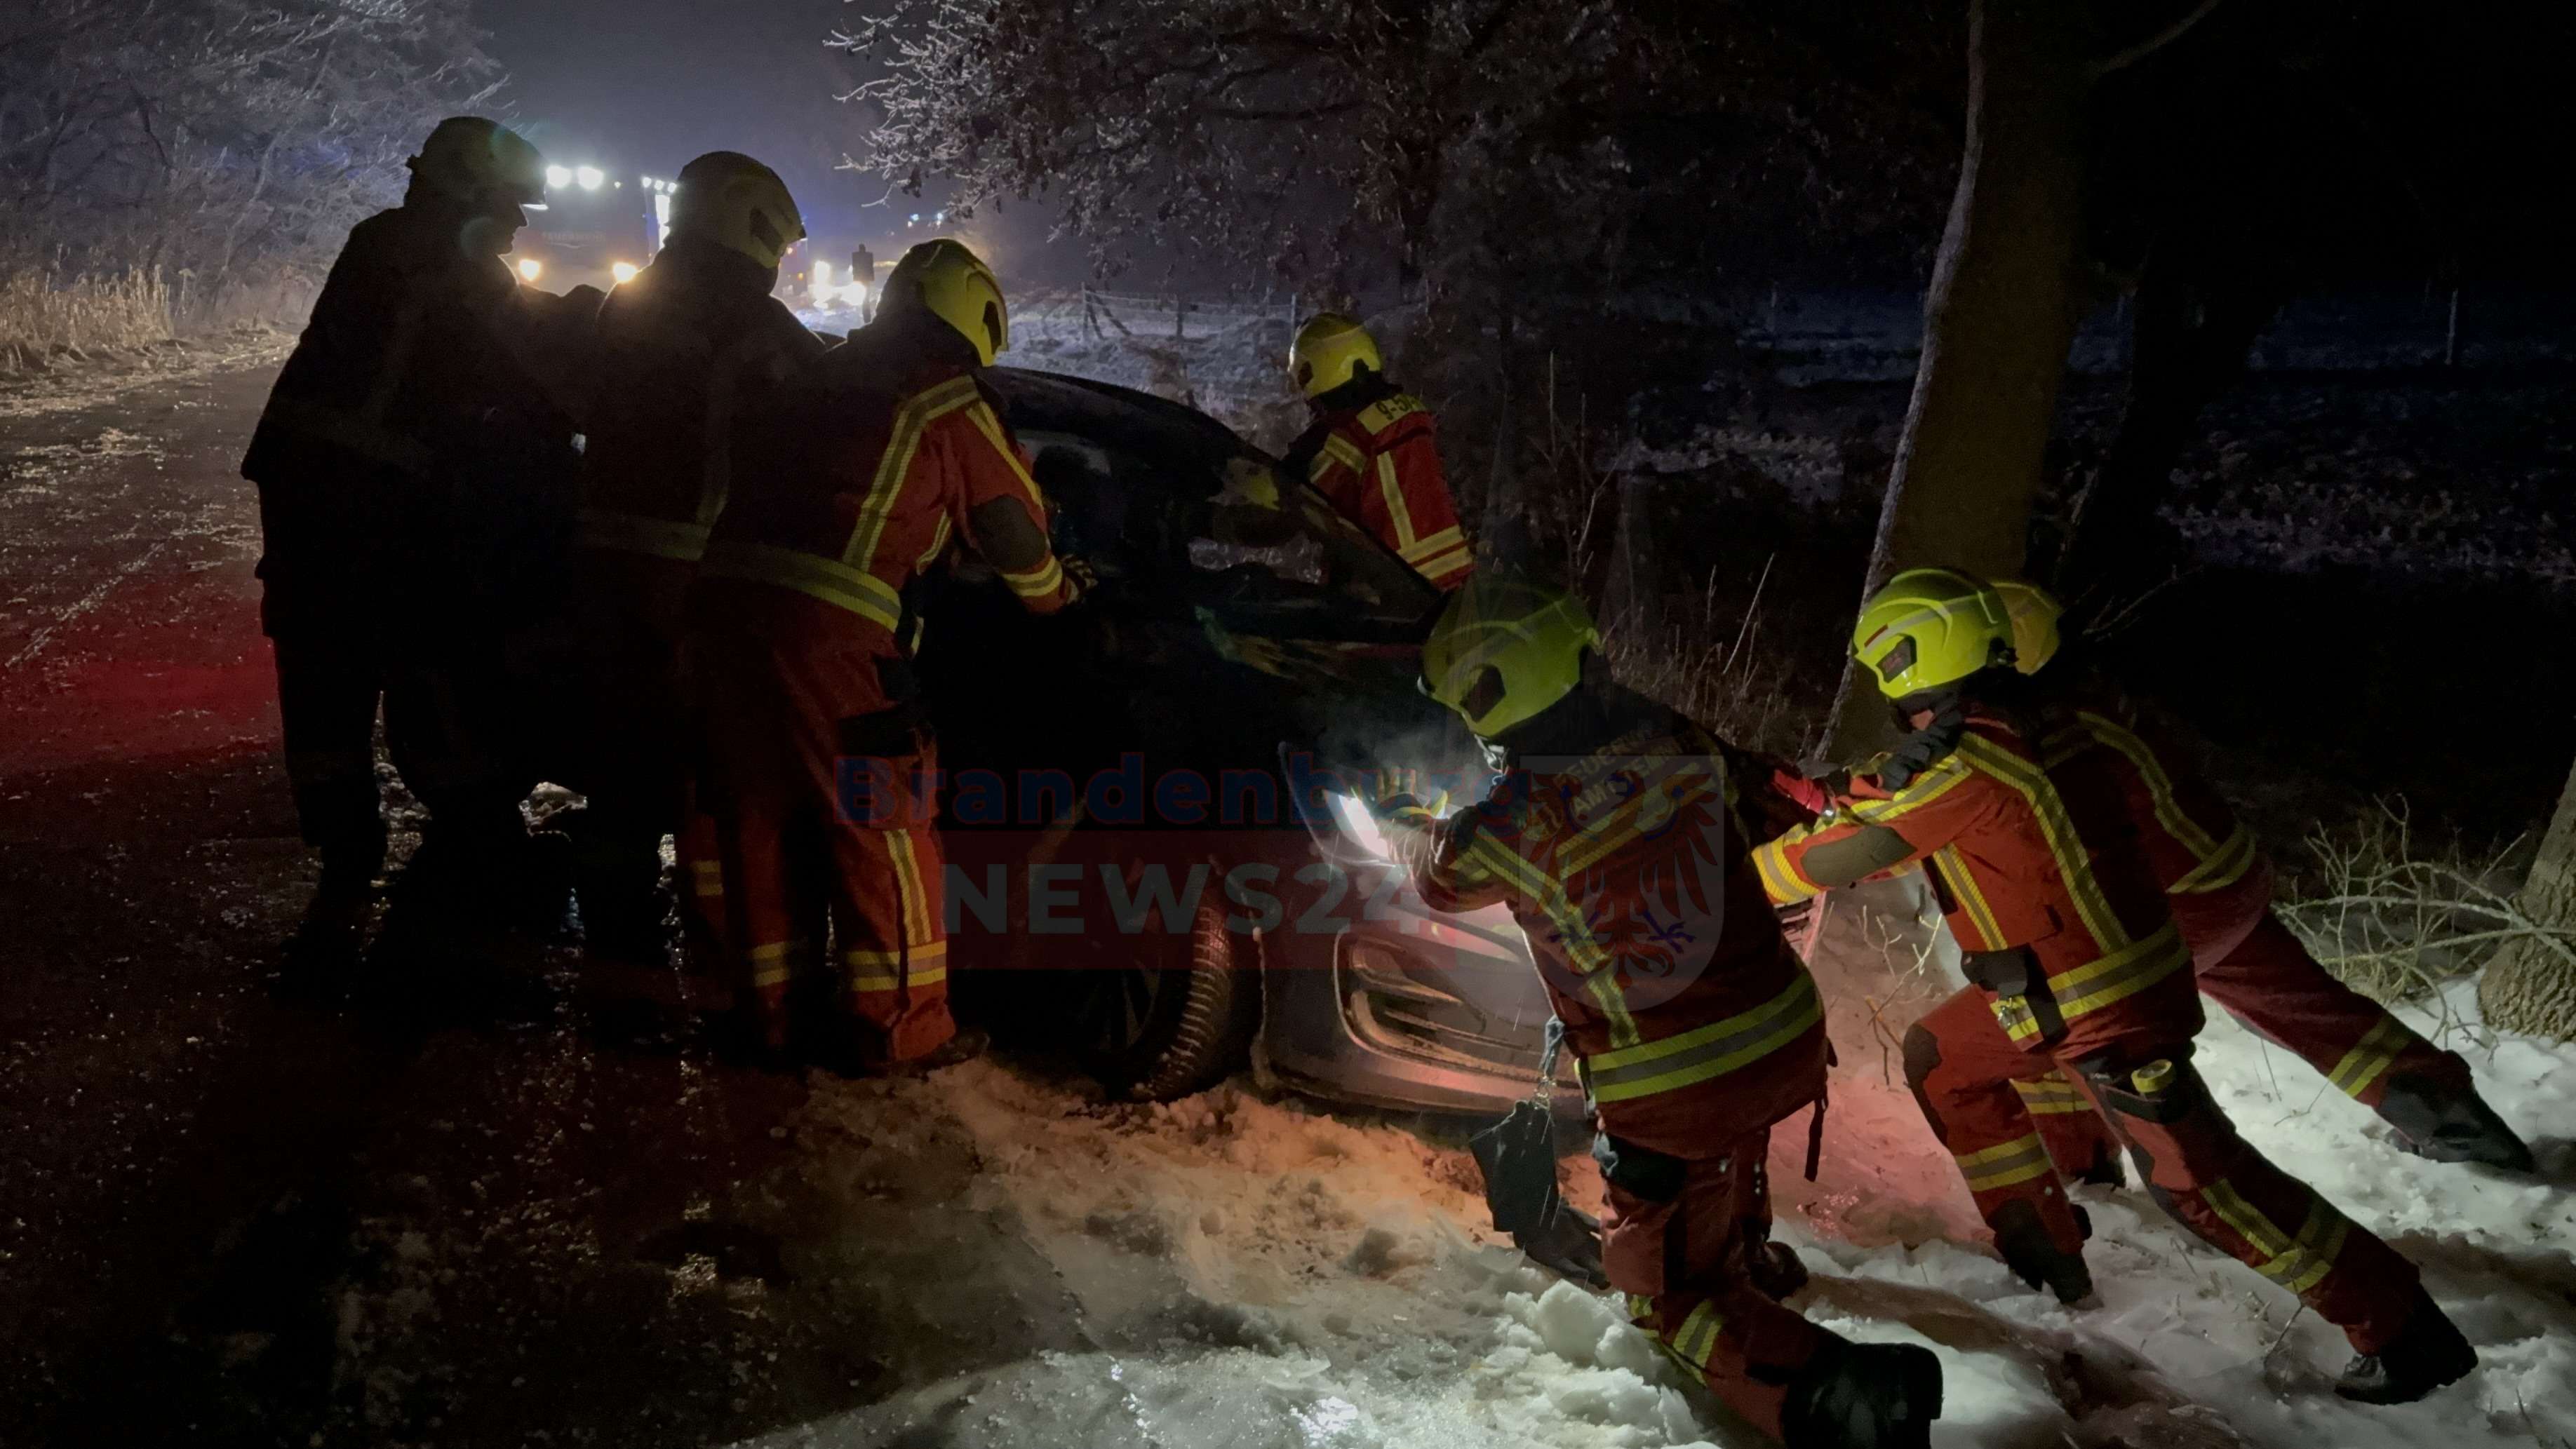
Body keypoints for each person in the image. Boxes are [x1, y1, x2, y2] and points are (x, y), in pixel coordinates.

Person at [1750, 567, 2476, 1404]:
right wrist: (1828, 790)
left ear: (1901, 663)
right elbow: (1904, 791)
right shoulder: (2027, 722)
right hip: (2071, 984)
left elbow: (1857, 847)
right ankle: (2043, 1248)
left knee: (2204, 1187)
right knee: (1943, 1058)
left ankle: (2401, 1325)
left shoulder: (1968, 762)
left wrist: (1736, 869)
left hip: (2101, 1000)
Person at [1372, 575, 1943, 1449]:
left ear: (1486, 694)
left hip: (1676, 1087)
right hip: (1785, 1036)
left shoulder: (1511, 822)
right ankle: (1746, 1257)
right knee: (1729, 1143)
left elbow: (1437, 873)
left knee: (1665, 1301)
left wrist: (1398, 807)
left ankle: (1850, 1397)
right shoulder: (1676, 738)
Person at [687, 237, 1084, 1072]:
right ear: (977, 318)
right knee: (885, 820)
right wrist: (1061, 597)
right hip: (830, 630)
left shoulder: (821, 374)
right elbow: (1011, 531)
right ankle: (902, 1027)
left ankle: (772, 1015)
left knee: (757, 811)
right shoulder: (948, 395)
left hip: (721, 608)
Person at [1983, 579, 2534, 1174]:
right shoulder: (2092, 699)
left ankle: (2084, 1166)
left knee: (2051, 1018)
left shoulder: (2036, 733)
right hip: (2225, 877)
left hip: (2172, 905)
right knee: (2307, 1007)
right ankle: (2455, 1122)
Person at [241, 116, 590, 966]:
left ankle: (347, 863)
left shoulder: (389, 242)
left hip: (313, 497)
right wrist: (601, 329)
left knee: (324, 680)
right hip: (370, 509)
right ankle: (467, 841)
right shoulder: (433, 255)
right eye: (509, 203)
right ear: (469, 190)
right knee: (428, 663)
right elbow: (527, 353)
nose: (518, 221)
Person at [556, 151, 825, 959]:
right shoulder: (747, 319)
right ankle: (717, 941)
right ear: (749, 224)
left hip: (598, 556)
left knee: (619, 748)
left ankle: (614, 927)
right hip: (691, 567)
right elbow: (824, 405)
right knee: (709, 752)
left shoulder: (631, 302)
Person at [1214, 314, 1473, 591]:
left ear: (1317, 370)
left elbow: (1282, 514)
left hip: (1391, 595)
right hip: (1453, 583)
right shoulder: (1412, 413)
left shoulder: (1340, 438)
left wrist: (1209, 521)